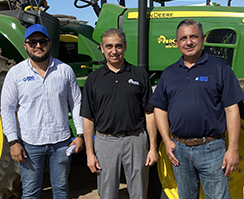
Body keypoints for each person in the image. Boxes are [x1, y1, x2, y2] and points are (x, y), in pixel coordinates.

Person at [150, 19, 244, 199]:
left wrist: (233, 149)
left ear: (203, 38)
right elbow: (160, 108)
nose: (189, 42)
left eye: (193, 36)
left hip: (212, 148)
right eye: (183, 38)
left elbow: (232, 110)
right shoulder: (169, 73)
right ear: (176, 43)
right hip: (179, 150)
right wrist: (167, 140)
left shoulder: (220, 68)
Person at [1, 23, 84, 199]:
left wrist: (80, 135)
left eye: (42, 42)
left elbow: (76, 102)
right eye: (32, 42)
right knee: (30, 192)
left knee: (61, 189)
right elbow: (7, 108)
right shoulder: (16, 73)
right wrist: (13, 142)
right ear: (25, 45)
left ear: (49, 44)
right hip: (30, 143)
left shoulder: (64, 70)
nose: (38, 46)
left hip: (61, 143)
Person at [80, 28, 158, 199]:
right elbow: (88, 118)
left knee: (138, 191)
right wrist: (90, 153)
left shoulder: (139, 75)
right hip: (105, 141)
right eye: (109, 46)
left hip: (136, 140)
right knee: (107, 193)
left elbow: (149, 113)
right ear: (101, 48)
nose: (114, 51)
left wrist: (153, 147)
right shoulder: (94, 79)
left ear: (125, 47)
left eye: (118, 46)